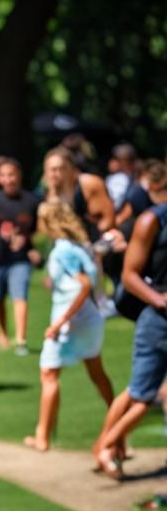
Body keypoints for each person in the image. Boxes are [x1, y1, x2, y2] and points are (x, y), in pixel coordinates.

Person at [23, 202, 114, 451]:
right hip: (91, 319)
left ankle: (42, 437)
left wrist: (59, 322)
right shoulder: (77, 246)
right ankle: (117, 427)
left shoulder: (62, 250)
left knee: (49, 374)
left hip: (71, 321)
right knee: (96, 372)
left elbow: (83, 285)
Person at [92, 187, 167, 477]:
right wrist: (159, 299)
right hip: (157, 320)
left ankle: (108, 447)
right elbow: (129, 276)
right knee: (141, 395)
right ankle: (106, 446)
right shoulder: (152, 220)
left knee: (138, 392)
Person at [0, 156, 40, 354]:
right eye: (3, 175)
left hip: (21, 259)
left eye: (11, 175)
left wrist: (33, 245)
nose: (8, 179)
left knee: (19, 296)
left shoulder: (32, 200)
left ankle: (21, 339)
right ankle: (2, 332)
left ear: (19, 176)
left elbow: (40, 230)